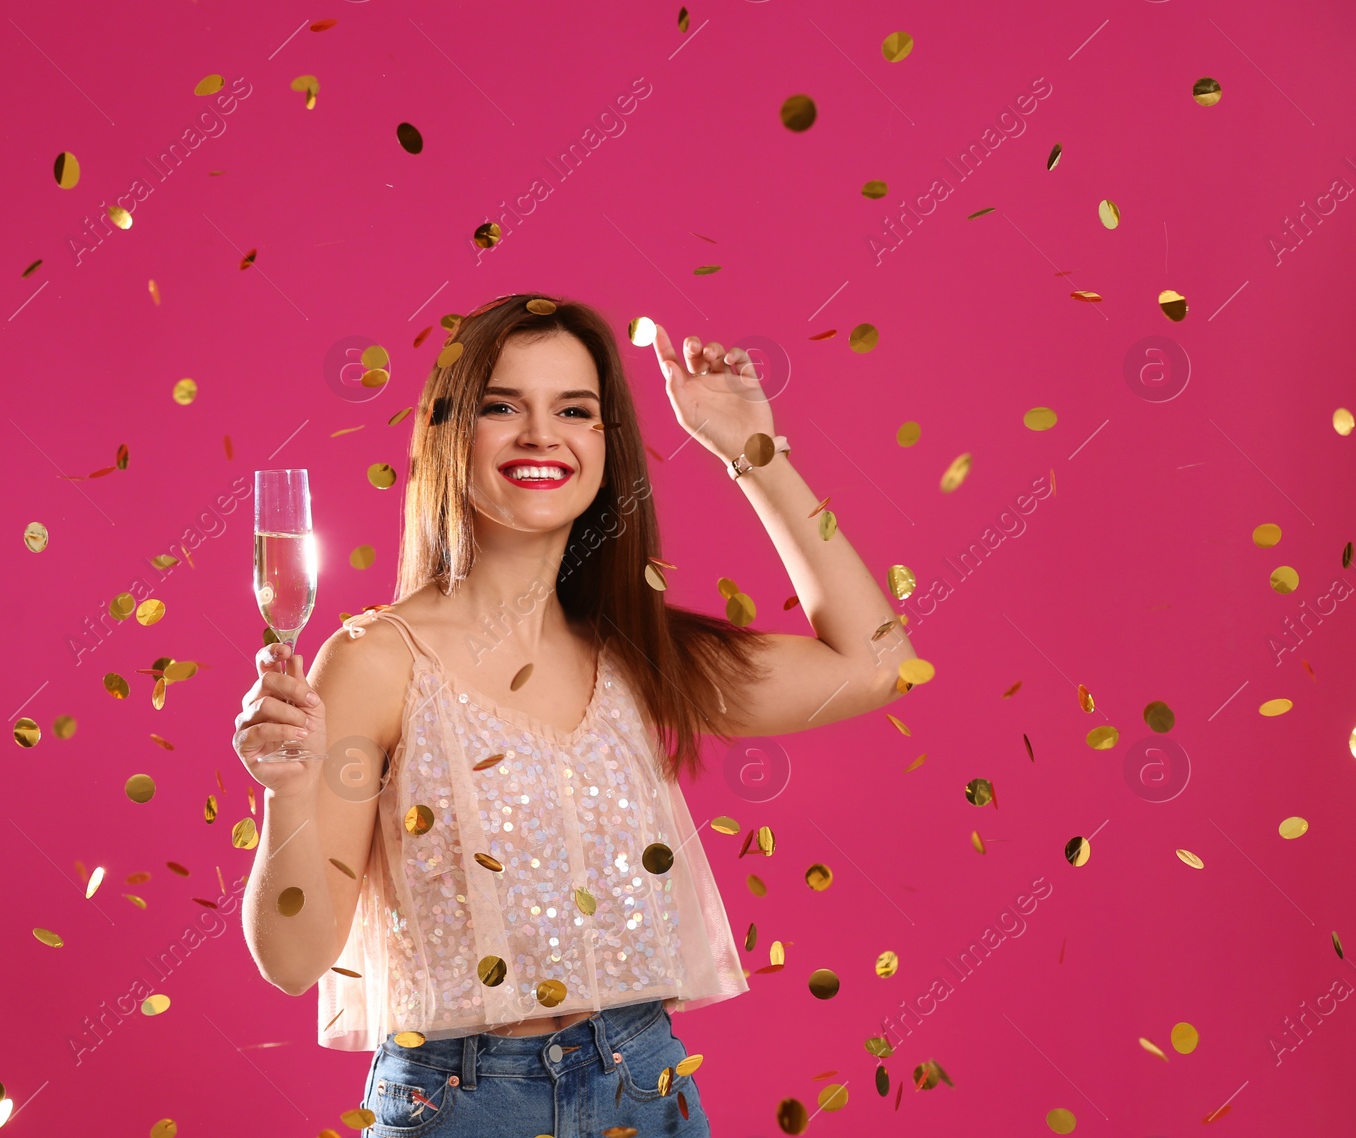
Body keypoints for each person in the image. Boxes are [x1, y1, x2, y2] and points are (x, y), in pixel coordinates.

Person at [231, 293, 918, 1137]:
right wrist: (286, 791)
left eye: (575, 411)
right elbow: (295, 962)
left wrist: (751, 448)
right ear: (452, 434)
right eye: (502, 406)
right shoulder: (374, 660)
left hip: (644, 1089)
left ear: (605, 445)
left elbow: (877, 662)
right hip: (457, 1106)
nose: (540, 435)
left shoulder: (637, 653)